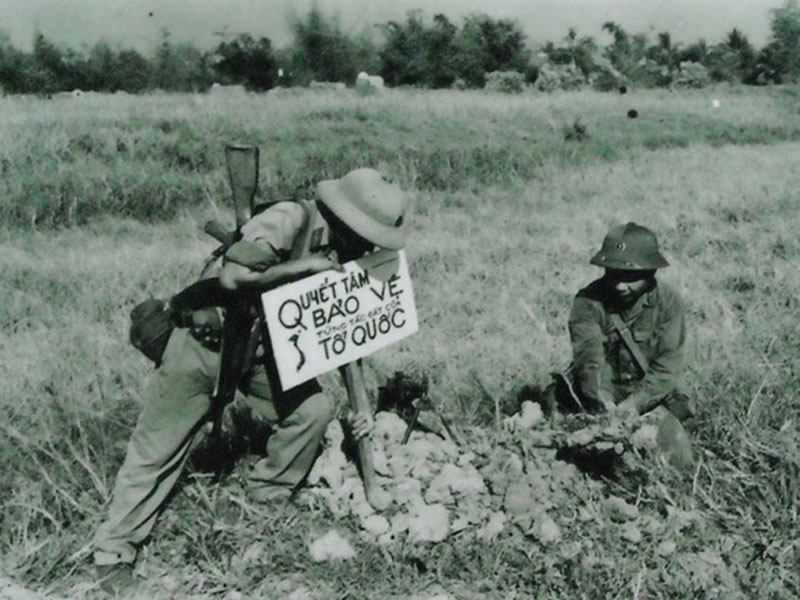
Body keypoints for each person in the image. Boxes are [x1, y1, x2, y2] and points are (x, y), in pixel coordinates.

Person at [93, 168, 409, 593]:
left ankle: (268, 492)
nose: (368, 246)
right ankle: (113, 554)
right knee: (157, 448)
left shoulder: (342, 249)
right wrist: (303, 268)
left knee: (313, 411)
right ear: (344, 218)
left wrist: (363, 407)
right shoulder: (288, 219)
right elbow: (231, 278)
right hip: (206, 341)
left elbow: (344, 333)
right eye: (364, 234)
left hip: (259, 349)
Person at [552, 222, 695, 430]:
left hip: (649, 391)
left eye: (629, 277)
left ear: (651, 272)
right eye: (613, 275)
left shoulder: (668, 303)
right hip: (601, 392)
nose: (620, 286)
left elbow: (668, 365)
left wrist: (633, 406)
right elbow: (589, 360)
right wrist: (605, 404)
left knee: (676, 423)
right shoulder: (587, 302)